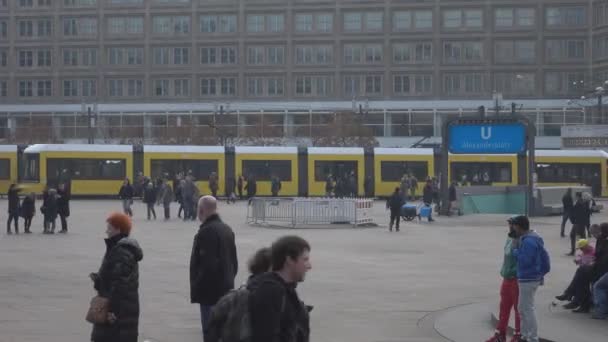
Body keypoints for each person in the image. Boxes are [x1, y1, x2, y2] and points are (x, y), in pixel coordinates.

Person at [189, 195, 238, 341]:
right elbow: (234, 262)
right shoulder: (227, 229)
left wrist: (198, 284)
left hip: (210, 293)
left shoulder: (206, 232)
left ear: (201, 210)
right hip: (226, 288)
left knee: (210, 332)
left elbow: (207, 265)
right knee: (223, 332)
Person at [90, 212, 143, 342]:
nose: (106, 231)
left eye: (109, 228)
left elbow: (120, 286)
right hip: (120, 309)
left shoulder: (122, 252)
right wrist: (99, 280)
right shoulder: (117, 249)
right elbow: (113, 279)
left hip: (117, 312)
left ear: (118, 229)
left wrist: (111, 311)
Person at [248, 235, 312, 342]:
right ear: (289, 260)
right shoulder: (270, 291)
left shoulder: (285, 288)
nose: (309, 266)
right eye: (305, 259)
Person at [512, 215, 550, 342]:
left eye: (514, 225)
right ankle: (525, 335)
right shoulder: (533, 238)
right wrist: (541, 273)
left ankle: (532, 337)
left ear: (518, 226)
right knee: (523, 308)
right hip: (531, 277)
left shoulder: (528, 241)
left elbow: (525, 260)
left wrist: (516, 251)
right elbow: (545, 259)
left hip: (528, 278)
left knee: (526, 309)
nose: (512, 228)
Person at [485, 217, 521, 342]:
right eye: (509, 223)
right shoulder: (509, 237)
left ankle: (518, 335)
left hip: (516, 278)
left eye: (512, 224)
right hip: (507, 277)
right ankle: (500, 334)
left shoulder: (522, 239)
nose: (510, 226)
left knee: (518, 309)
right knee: (504, 307)